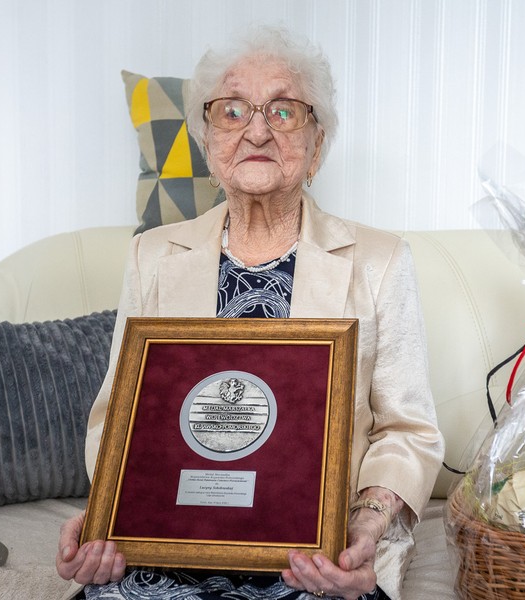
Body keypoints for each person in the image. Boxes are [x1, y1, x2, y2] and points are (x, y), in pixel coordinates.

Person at [56, 25, 444, 600]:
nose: (258, 130)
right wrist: (110, 517)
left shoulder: (379, 260)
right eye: (233, 111)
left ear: (316, 145)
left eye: (284, 111)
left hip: (313, 557)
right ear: (208, 141)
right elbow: (118, 417)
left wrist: (367, 523)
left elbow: (407, 429)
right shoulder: (154, 255)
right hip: (171, 547)